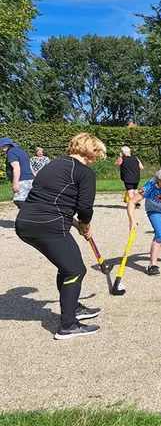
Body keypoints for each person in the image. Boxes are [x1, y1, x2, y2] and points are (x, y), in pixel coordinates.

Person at [15, 133, 107, 339]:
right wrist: (85, 224)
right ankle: (68, 325)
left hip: (27, 222)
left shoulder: (53, 165)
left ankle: (73, 307)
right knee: (75, 270)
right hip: (49, 225)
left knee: (67, 267)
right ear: (91, 152)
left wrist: (75, 223)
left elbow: (51, 198)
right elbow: (84, 207)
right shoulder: (84, 172)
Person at [1, 137, 35, 209]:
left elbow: (16, 168)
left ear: (4, 146)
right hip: (30, 179)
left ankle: (27, 218)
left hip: (22, 180)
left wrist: (15, 183)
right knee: (29, 201)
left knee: (19, 201)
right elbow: (29, 165)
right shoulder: (21, 151)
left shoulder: (11, 153)